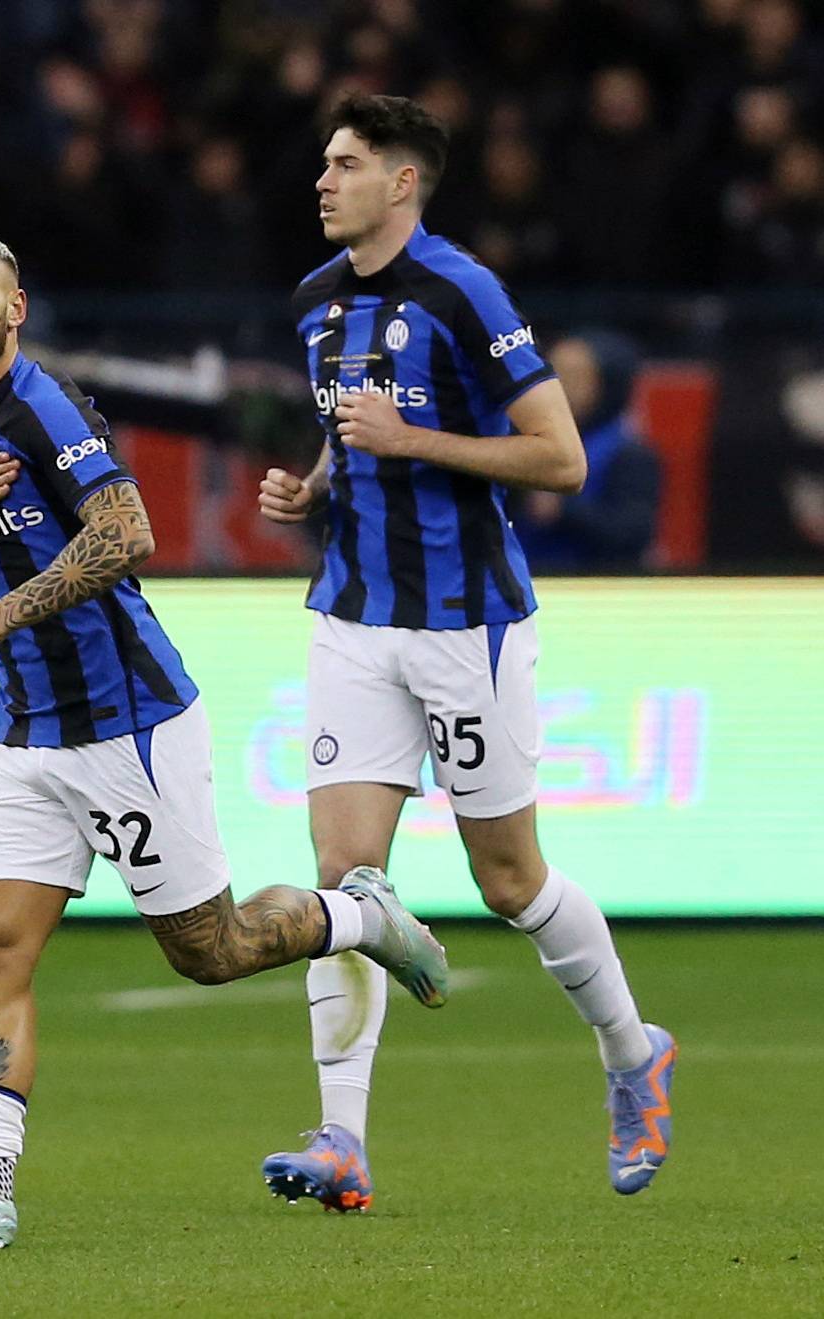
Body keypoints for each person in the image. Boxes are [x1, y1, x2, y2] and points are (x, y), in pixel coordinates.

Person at [0, 232, 450, 1248]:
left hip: (128, 721)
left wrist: (1, 615)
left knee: (208, 951)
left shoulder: (45, 409)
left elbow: (127, 530)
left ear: (15, 309)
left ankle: (357, 917)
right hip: (23, 734)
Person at [255, 94, 676, 1211]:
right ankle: (340, 1140)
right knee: (346, 884)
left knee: (508, 879)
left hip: (465, 627)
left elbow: (560, 458)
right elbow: (349, 433)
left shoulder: (463, 291)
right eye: (323, 162)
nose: (322, 180)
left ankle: (633, 1055)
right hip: (350, 616)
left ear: (402, 181)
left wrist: (409, 441)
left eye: (345, 164)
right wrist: (314, 485)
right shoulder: (310, 304)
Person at [513, 331, 661, 572]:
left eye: (574, 377)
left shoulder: (628, 453)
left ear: (608, 384)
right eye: (552, 374)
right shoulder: (526, 439)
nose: (560, 387)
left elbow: (633, 533)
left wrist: (564, 511)